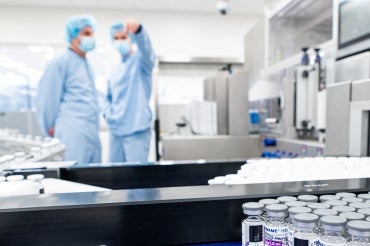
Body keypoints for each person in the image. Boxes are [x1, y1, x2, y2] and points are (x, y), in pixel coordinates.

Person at [36, 15, 101, 164]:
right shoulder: (61, 61)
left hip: (91, 133)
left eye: (92, 33)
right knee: (75, 180)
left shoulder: (86, 65)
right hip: (72, 133)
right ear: (73, 36)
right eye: (86, 33)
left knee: (95, 179)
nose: (91, 37)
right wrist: (49, 127)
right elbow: (47, 98)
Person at [104, 19, 155, 162]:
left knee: (135, 177)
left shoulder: (141, 62)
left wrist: (139, 31)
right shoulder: (115, 70)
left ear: (130, 39)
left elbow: (147, 51)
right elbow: (107, 97)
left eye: (123, 37)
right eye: (116, 38)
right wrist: (107, 113)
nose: (120, 41)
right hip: (116, 129)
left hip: (136, 130)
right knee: (114, 177)